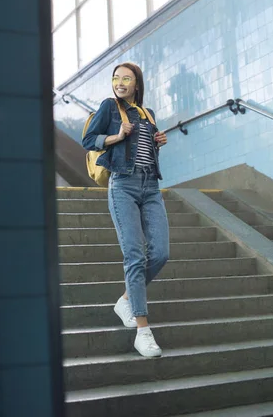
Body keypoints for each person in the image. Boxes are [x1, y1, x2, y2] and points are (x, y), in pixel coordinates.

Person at [82, 62, 169, 358]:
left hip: (151, 186)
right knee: (135, 254)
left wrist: (158, 142)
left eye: (126, 79)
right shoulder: (109, 107)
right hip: (123, 185)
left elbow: (144, 150)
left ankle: (125, 299)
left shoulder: (148, 113)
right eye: (116, 78)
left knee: (160, 253)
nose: (120, 82)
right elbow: (88, 140)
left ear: (136, 84)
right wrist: (117, 136)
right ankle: (142, 331)